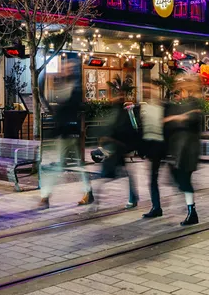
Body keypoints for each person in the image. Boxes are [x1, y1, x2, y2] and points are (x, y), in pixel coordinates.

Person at [39, 60, 93, 207]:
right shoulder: (64, 85)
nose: (63, 70)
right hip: (64, 132)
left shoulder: (74, 88)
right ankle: (88, 192)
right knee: (74, 164)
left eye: (67, 68)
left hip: (70, 132)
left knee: (60, 165)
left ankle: (46, 197)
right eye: (63, 68)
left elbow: (71, 108)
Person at [165, 73, 203, 226]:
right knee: (182, 180)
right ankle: (190, 211)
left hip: (188, 150)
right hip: (183, 149)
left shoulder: (194, 103)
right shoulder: (187, 103)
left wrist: (175, 118)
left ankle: (191, 212)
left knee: (184, 181)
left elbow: (192, 118)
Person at [97, 90, 140, 209]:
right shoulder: (119, 112)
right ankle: (133, 197)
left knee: (107, 175)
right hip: (118, 148)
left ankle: (96, 199)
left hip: (117, 148)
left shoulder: (120, 113)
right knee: (124, 174)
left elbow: (119, 129)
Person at [139, 89, 168, 219]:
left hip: (156, 147)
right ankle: (156, 206)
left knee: (153, 179)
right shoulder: (160, 108)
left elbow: (144, 128)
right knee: (153, 178)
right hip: (157, 147)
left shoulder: (149, 109)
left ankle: (156, 207)